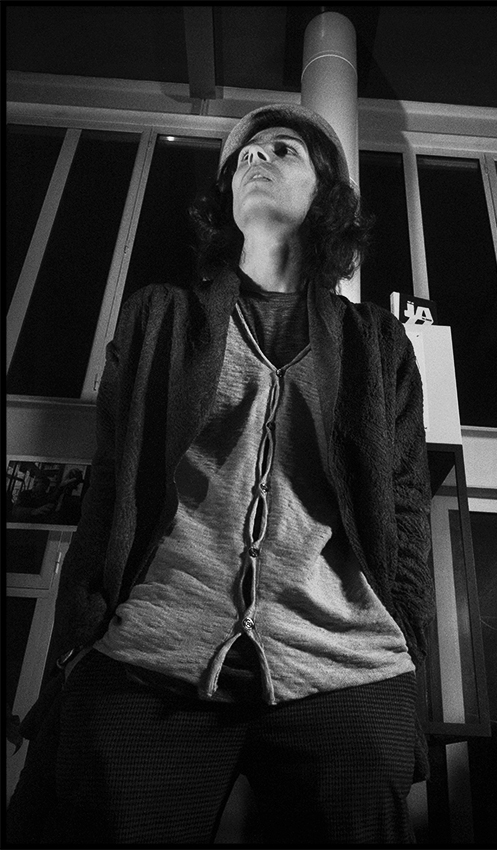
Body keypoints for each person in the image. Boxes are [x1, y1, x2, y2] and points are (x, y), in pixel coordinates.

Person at [7, 104, 435, 846]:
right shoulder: (160, 319)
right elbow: (110, 487)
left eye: (282, 150)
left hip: (346, 662)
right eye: (243, 156)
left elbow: (405, 508)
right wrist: (78, 640)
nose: (256, 159)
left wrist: (409, 650)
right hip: (153, 651)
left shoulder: (377, 343)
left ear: (326, 192)